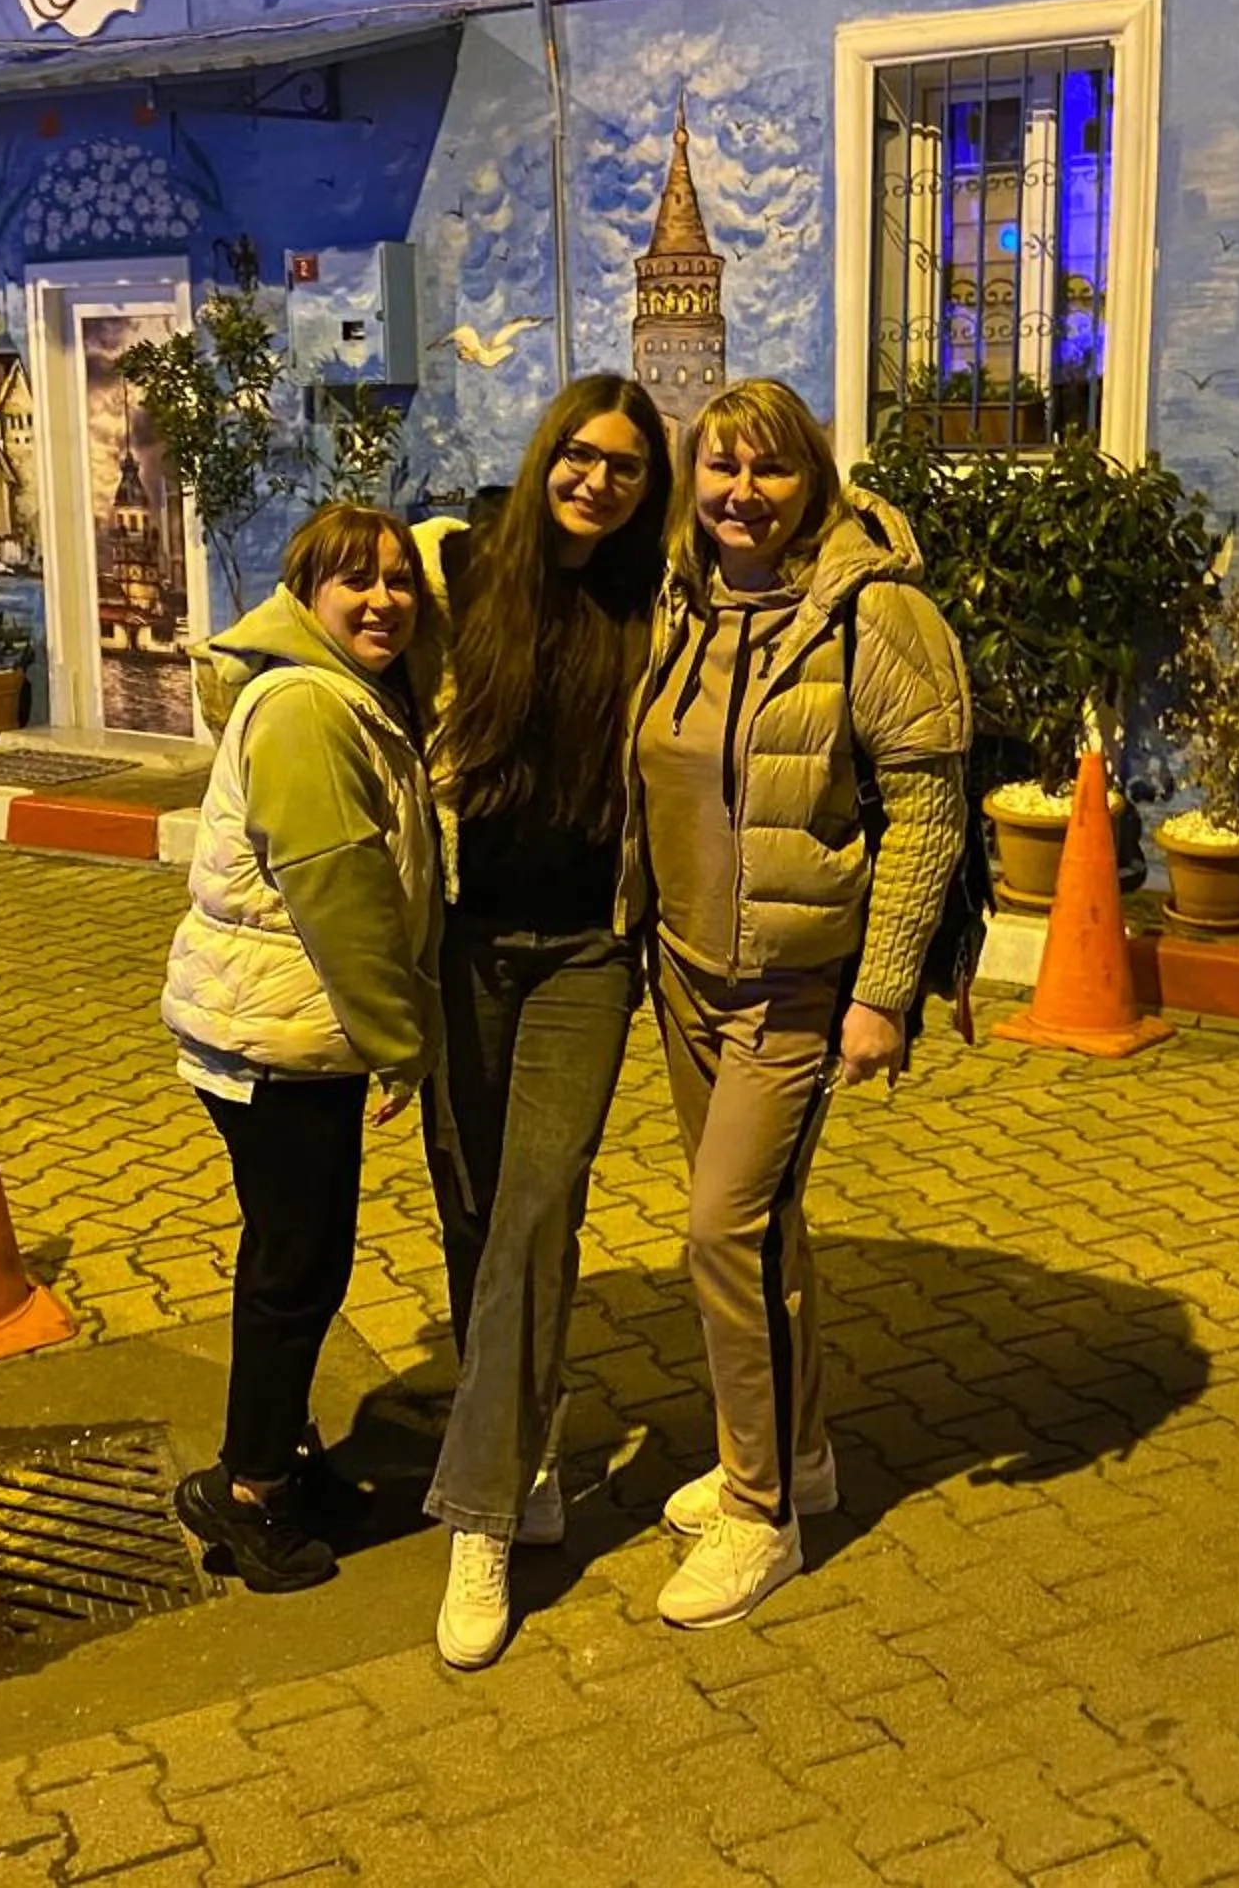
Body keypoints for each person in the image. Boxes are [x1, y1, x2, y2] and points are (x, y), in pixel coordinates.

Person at [622, 376, 970, 1629]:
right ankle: (796, 1449)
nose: (741, 493)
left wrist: (882, 997)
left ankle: (761, 1514)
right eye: (720, 468)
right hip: (682, 975)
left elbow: (928, 808)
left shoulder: (872, 616)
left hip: (795, 985)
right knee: (767, 1233)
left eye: (768, 469)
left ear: (810, 479)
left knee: (721, 1233)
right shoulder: (682, 601)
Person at [415, 373, 674, 1671]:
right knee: (472, 1210)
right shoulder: (457, 570)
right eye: (580, 453)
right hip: (461, 943)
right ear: (544, 454)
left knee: (536, 1204)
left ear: (648, 486)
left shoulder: (661, 607)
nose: (597, 479)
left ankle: (477, 1522)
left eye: (625, 465)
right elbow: (327, 663)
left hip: (586, 951)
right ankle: (522, 1453)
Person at [163, 503, 442, 1594]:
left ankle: (277, 1458)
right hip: (273, 1040)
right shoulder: (305, 708)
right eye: (355, 582)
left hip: (282, 1030)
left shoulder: (343, 693)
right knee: (293, 1269)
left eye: (400, 581)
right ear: (305, 598)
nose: (383, 600)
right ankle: (246, 1496)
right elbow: (339, 892)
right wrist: (400, 1044)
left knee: (306, 1260)